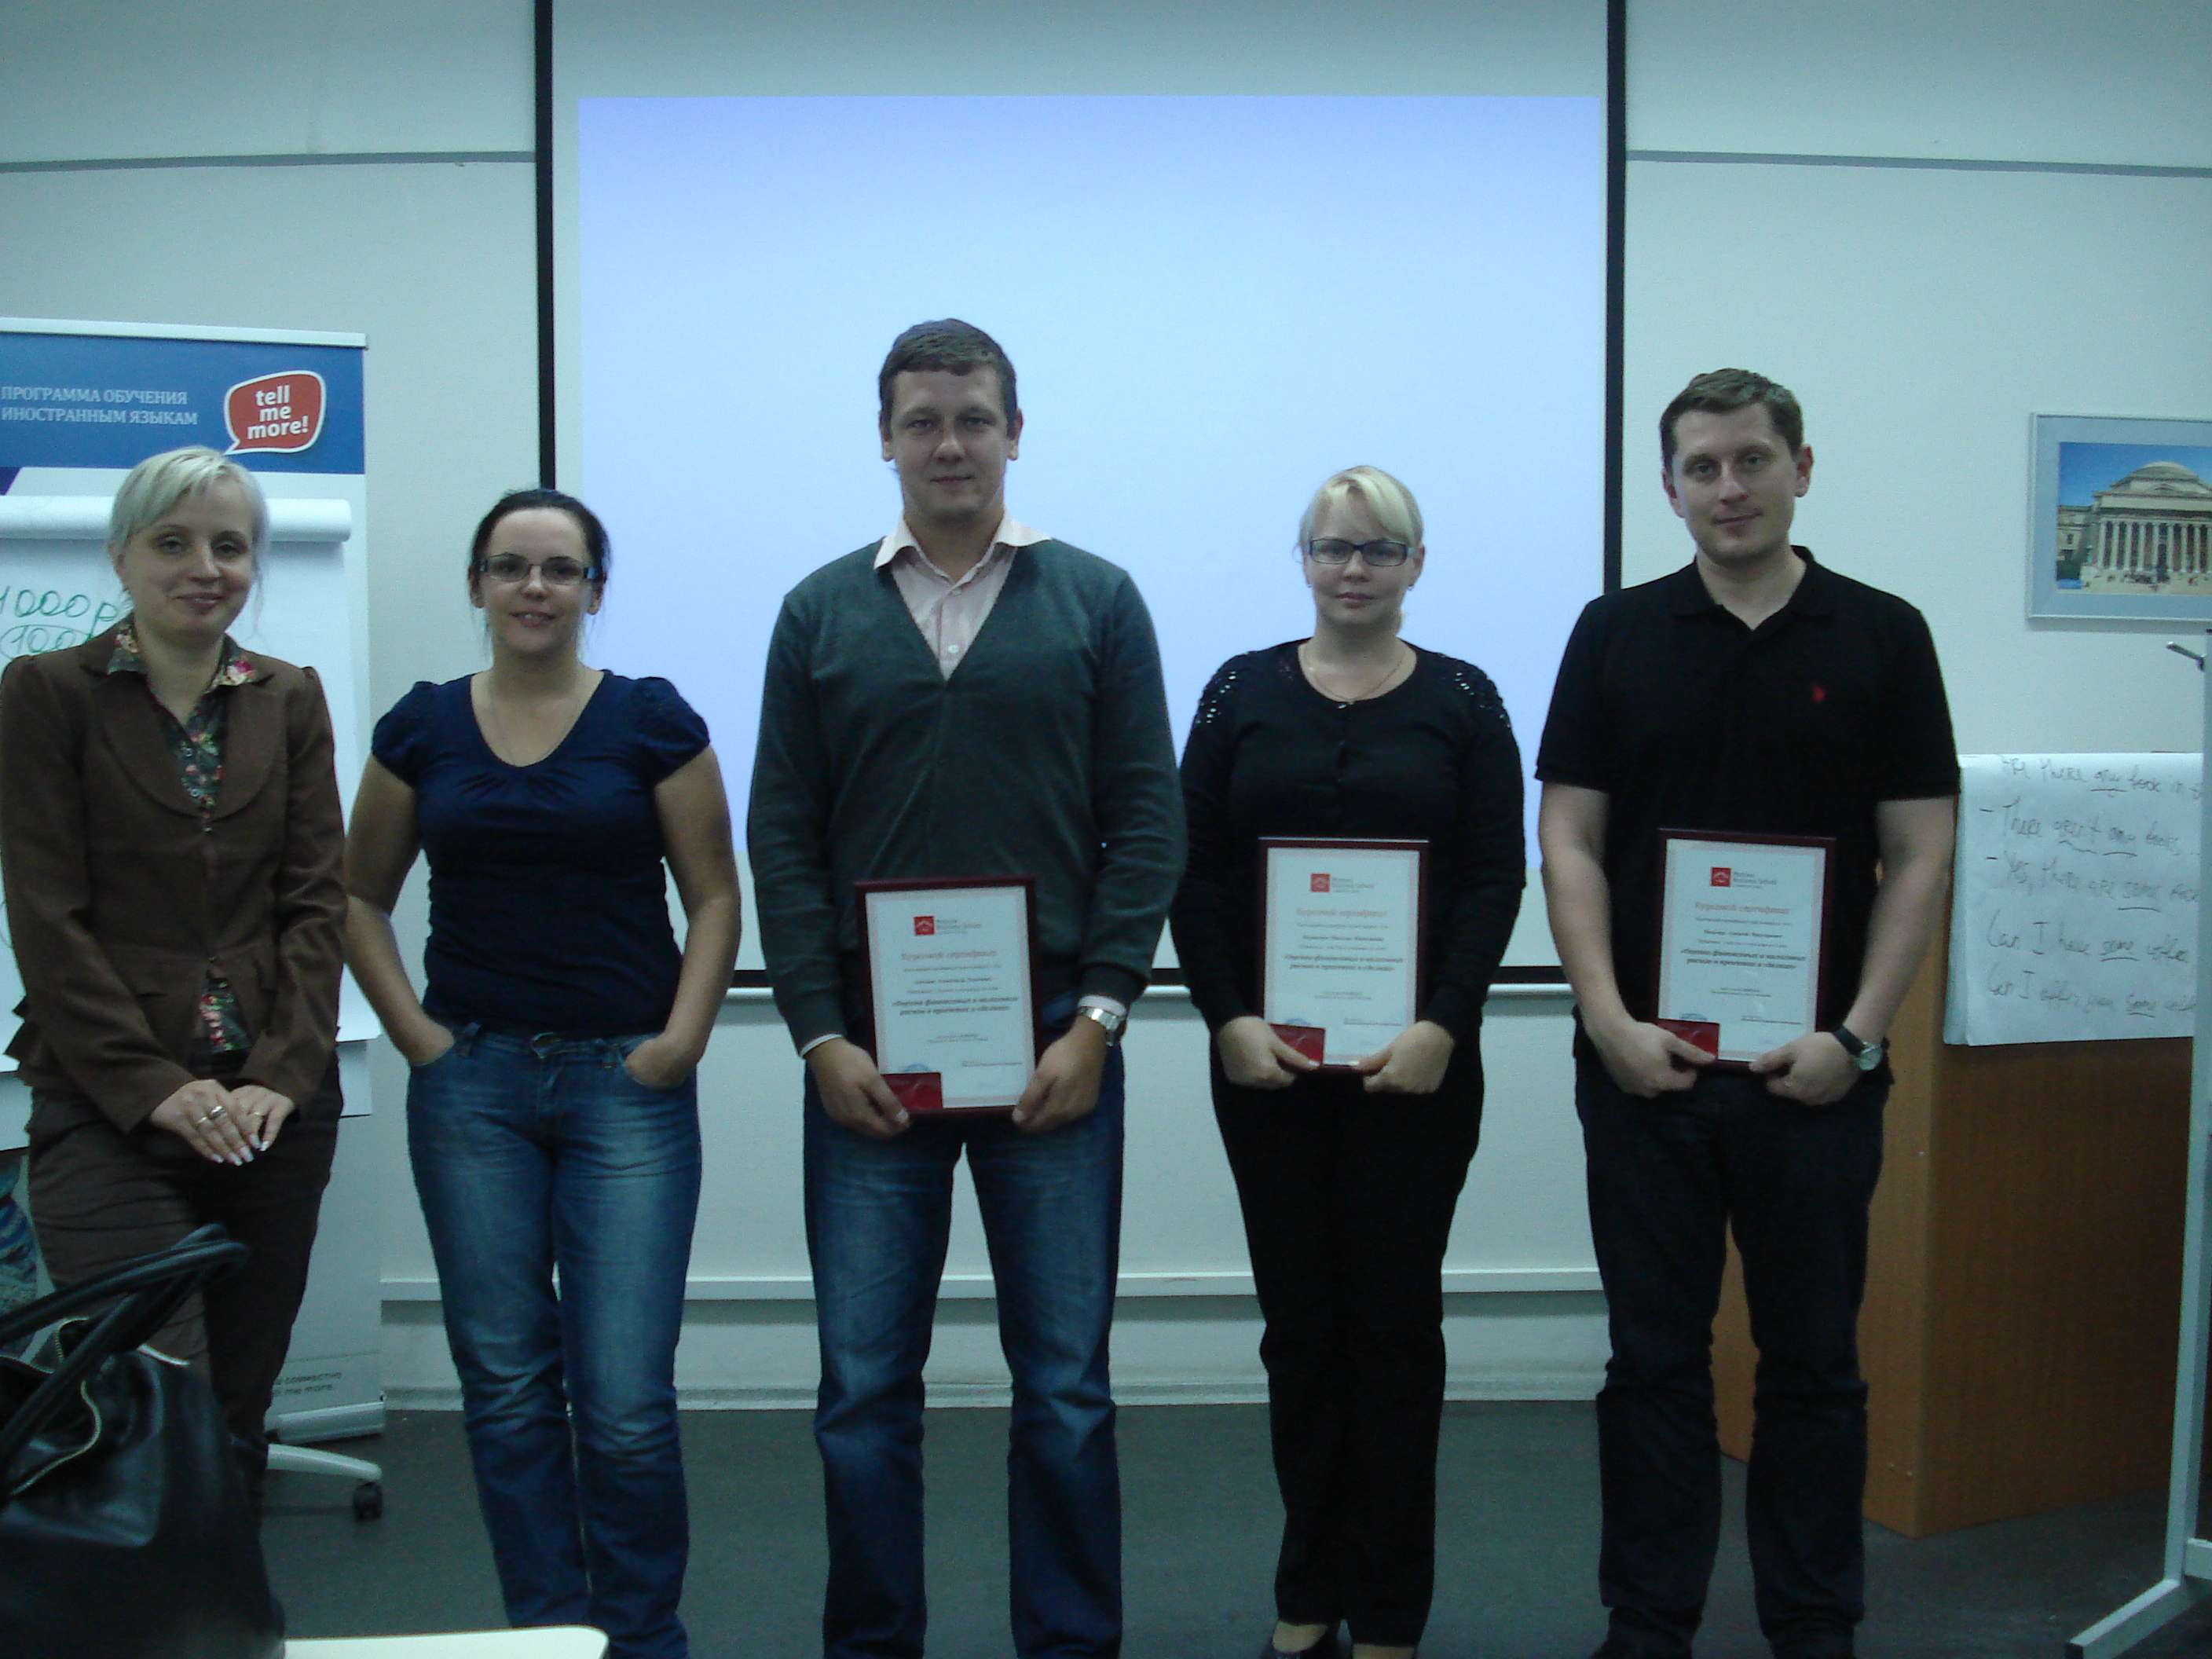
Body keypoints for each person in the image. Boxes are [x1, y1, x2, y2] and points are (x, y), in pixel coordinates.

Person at [749, 319, 1185, 1659]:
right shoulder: (819, 611)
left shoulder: (1097, 600)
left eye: (974, 418)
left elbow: (1147, 819)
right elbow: (783, 836)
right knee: (862, 1394)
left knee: (1064, 1392)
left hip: (1056, 1055)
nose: (950, 444)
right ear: (885, 438)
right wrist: (817, 1035)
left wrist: (1101, 1016)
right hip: (865, 1064)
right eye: (924, 420)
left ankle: (1070, 1644)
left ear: (1014, 432)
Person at [1536, 370, 1958, 1659]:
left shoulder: (1884, 635)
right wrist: (1607, 1019)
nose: (1730, 487)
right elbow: (1569, 837)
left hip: (1814, 1078)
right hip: (1645, 1074)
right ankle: (1649, 1622)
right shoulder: (1614, 633)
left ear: (1801, 470)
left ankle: (1814, 1623)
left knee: (1815, 1365)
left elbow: (1921, 852)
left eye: (1753, 460)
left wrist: (1859, 1037)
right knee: (1652, 1364)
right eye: (1703, 467)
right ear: (1671, 489)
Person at [343, 488, 738, 1659]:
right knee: (510, 1391)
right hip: (473, 1087)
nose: (534, 587)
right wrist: (416, 1036)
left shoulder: (651, 720)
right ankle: (547, 1634)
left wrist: (681, 1042)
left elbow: (716, 897)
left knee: (623, 1404)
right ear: (476, 585)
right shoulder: (422, 727)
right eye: (510, 565)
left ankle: (641, 1637)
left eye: (560, 569)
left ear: (594, 591)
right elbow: (354, 897)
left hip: (629, 1087)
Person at [1172, 465, 1525, 1659]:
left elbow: (1493, 876)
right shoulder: (1238, 691)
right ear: (1305, 561)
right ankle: (1308, 1585)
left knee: (1394, 1331)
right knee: (1299, 1332)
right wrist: (1227, 1017)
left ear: (1416, 564)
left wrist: (1444, 1025)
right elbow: (1192, 870)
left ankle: (1390, 1605)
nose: (1354, 569)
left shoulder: (1465, 700)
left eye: (1379, 549)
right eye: (1333, 548)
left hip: (1414, 1077)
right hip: (1265, 1075)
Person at [0, 445, 346, 1505]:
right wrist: (159, 1088)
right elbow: (47, 917)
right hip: (109, 1107)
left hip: (269, 1111)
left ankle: (225, 1590)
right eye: (173, 543)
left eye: (229, 546)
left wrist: (280, 1077)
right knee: (158, 1402)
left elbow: (315, 904)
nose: (205, 568)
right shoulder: (47, 693)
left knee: (236, 1406)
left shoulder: (289, 697)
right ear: (122, 557)